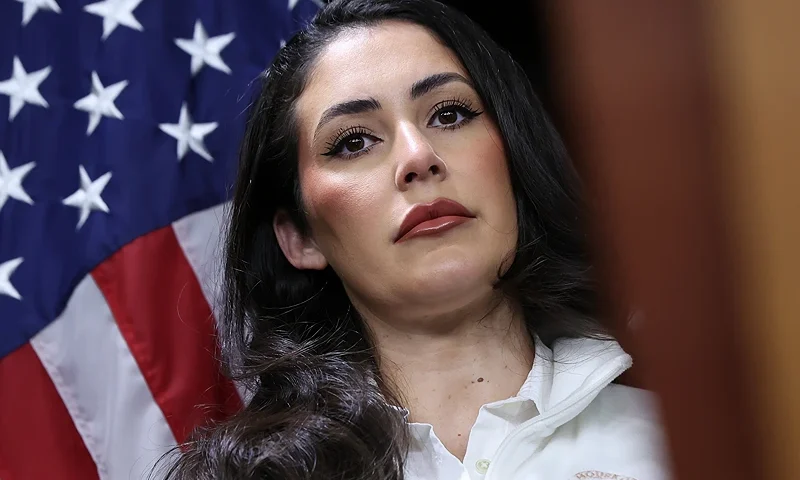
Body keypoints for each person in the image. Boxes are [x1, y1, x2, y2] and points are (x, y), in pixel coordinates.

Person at [160, 0, 670, 478]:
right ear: (300, 238)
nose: (418, 156)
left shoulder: (691, 431)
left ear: (514, 163)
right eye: (354, 141)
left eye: (449, 114)